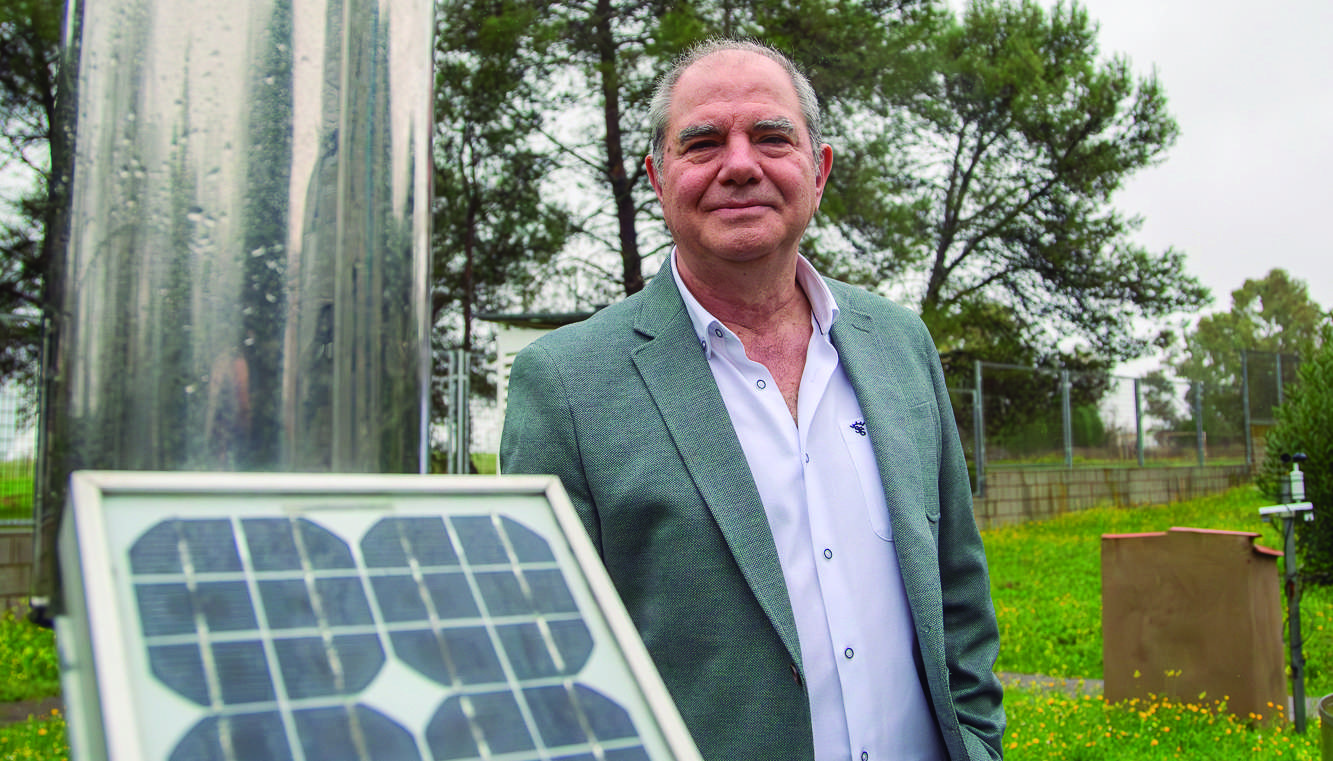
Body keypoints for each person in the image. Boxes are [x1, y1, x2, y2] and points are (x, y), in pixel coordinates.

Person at [501, 38, 1004, 761]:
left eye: (771, 137)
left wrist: (979, 744)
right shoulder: (567, 383)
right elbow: (545, 662)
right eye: (702, 142)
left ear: (818, 169)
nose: (740, 165)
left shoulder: (900, 344)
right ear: (657, 175)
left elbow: (956, 588)